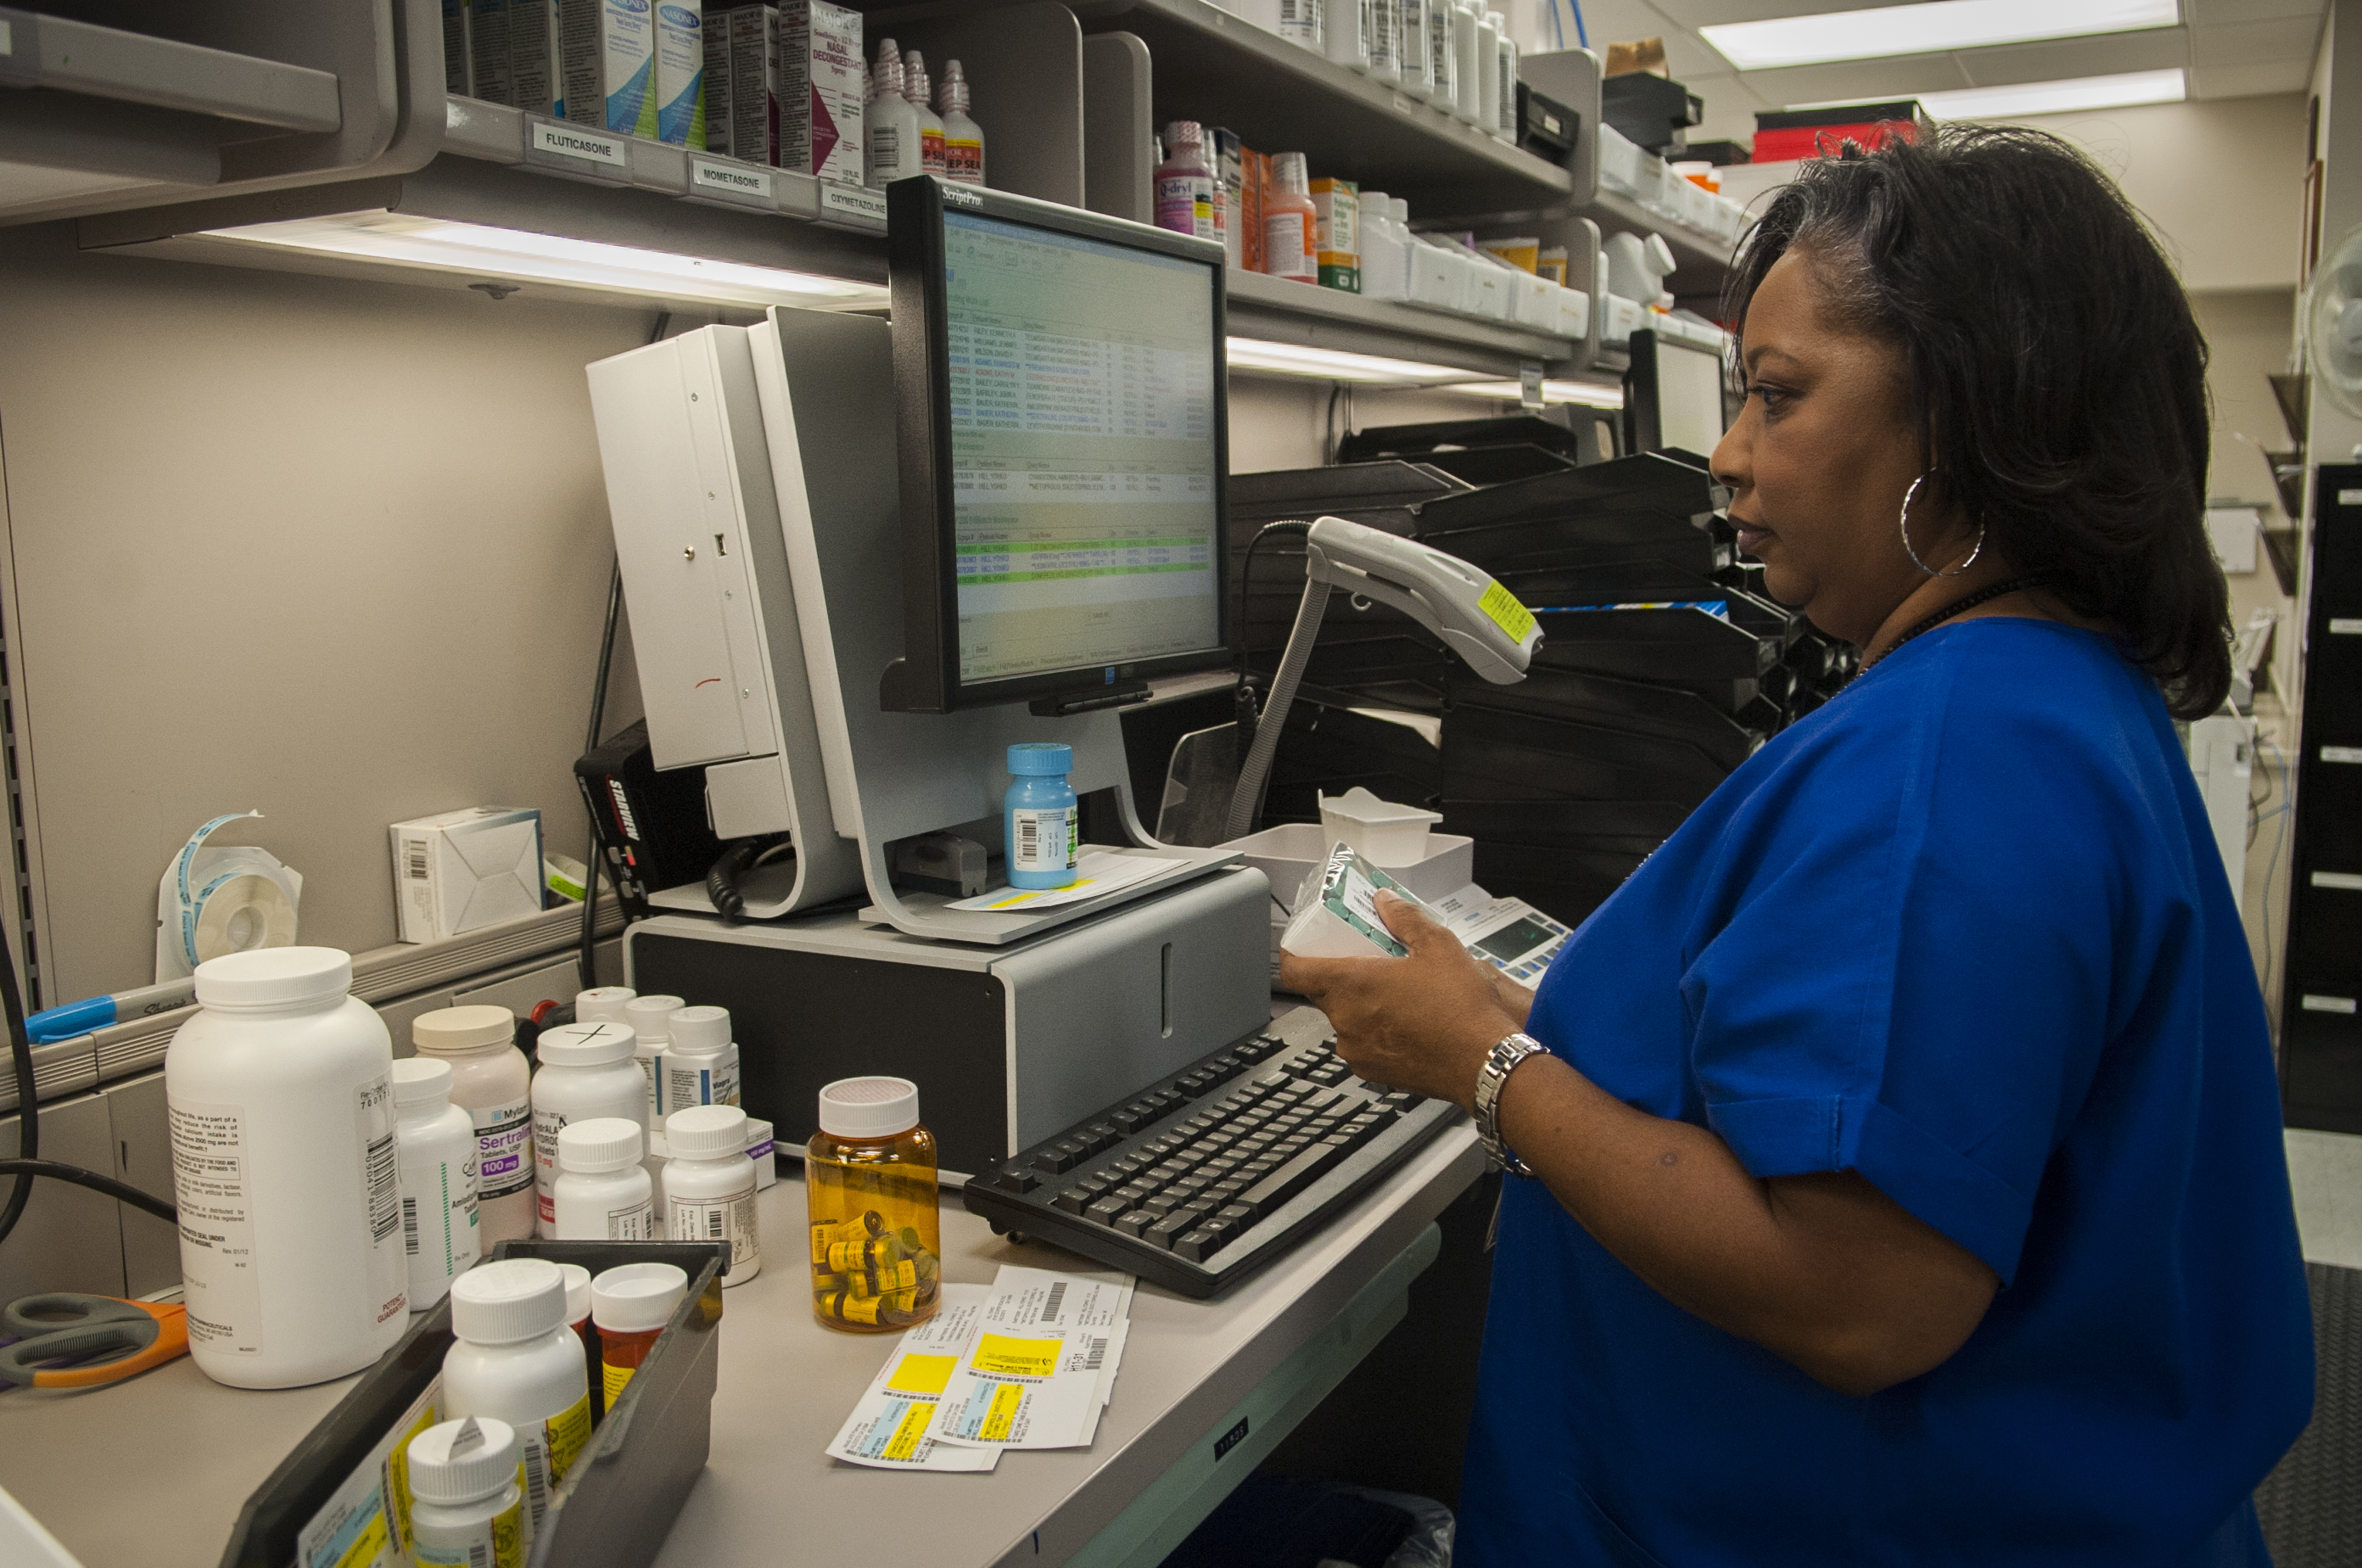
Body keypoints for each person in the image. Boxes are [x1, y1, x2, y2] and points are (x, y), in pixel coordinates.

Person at [1279, 127, 2314, 1565]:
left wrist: (1486, 1067)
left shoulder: (1948, 760)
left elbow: (1861, 1296)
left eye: (1777, 396)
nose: (1728, 453)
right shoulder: (2047, 690)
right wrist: (1537, 1019)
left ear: (1961, 420)